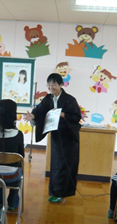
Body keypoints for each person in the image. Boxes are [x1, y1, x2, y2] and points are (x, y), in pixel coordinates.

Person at [23, 73, 81, 203]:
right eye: (49, 84)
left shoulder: (69, 99)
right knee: (56, 165)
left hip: (69, 138)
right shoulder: (48, 99)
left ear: (61, 85)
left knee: (67, 166)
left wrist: (62, 114)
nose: (51, 87)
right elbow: (39, 111)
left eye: (54, 84)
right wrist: (32, 116)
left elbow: (76, 118)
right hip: (56, 137)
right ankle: (56, 192)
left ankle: (64, 193)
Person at [0, 99, 24, 211]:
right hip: (13, 176)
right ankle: (12, 202)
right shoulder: (18, 134)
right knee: (16, 167)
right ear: (13, 114)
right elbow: (21, 157)